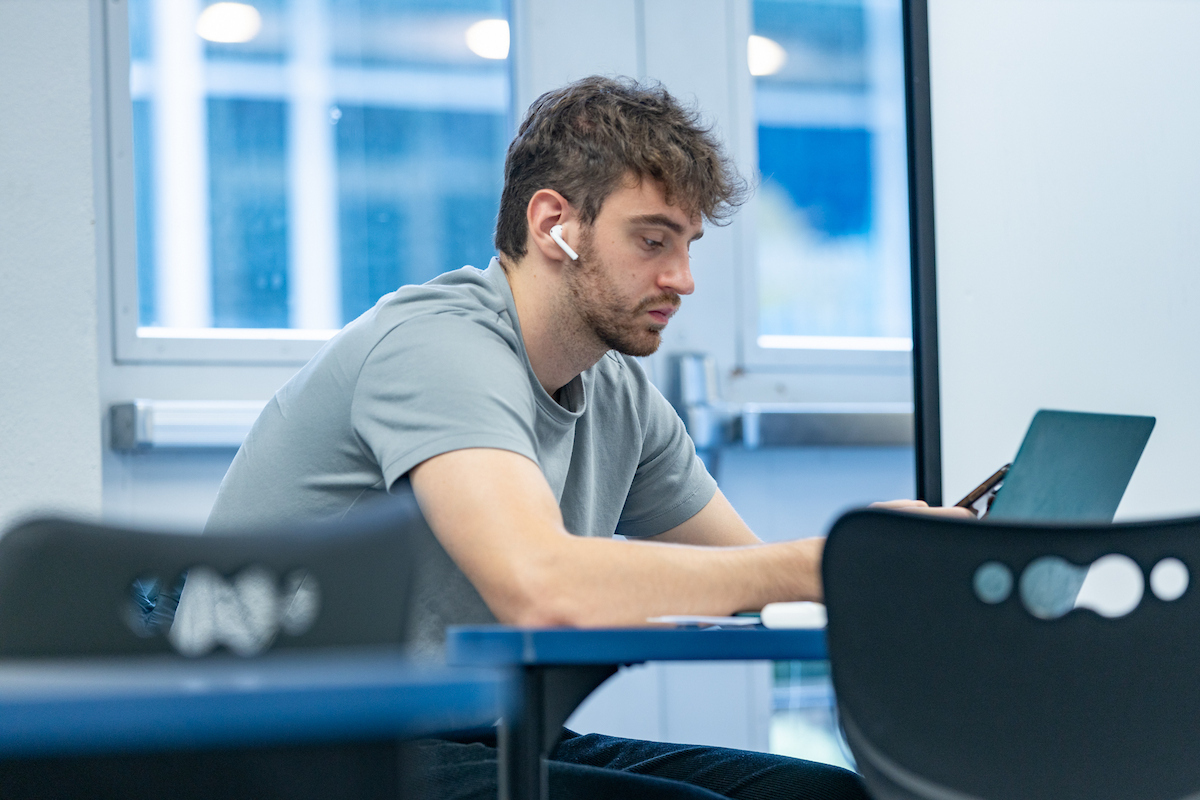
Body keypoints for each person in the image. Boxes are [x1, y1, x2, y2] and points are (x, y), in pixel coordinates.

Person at [206, 75, 960, 800]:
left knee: (818, 794)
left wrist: (880, 562)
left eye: (688, 245)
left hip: (468, 736)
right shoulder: (437, 347)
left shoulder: (616, 389)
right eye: (653, 241)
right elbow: (543, 588)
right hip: (284, 750)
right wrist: (815, 565)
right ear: (553, 225)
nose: (683, 278)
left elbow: (744, 579)